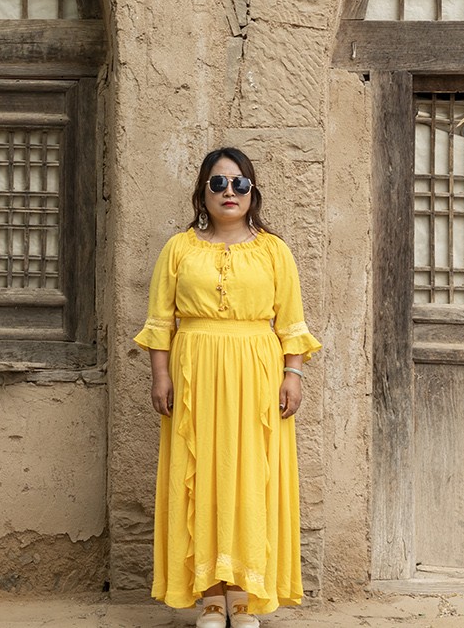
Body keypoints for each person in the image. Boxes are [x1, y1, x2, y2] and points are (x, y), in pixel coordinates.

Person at [136, 147, 320, 627]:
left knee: (248, 479)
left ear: (252, 192)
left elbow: (293, 324)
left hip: (256, 380)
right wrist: (161, 375)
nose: (229, 192)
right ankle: (210, 597)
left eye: (239, 183)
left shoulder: (274, 251)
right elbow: (160, 322)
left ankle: (242, 595)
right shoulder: (179, 249)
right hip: (195, 378)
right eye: (218, 183)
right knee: (201, 480)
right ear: (202, 193)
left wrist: (293, 374)